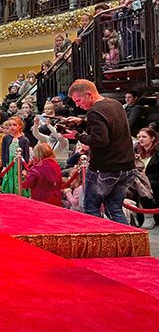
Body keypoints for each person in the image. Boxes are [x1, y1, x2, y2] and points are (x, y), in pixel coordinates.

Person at [62, 79, 136, 224]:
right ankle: (127, 243)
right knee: (114, 209)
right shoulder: (115, 104)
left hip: (105, 167)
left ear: (89, 94)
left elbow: (100, 140)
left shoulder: (95, 111)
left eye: (78, 100)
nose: (78, 105)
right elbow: (110, 129)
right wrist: (83, 122)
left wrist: (76, 135)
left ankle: (98, 244)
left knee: (90, 207)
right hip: (127, 166)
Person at [134, 127, 159, 228]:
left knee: (142, 185)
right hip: (138, 179)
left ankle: (148, 215)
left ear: (152, 138)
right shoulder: (136, 150)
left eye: (144, 137)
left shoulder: (157, 152)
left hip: (154, 180)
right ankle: (133, 213)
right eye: (139, 137)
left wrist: (145, 178)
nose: (141, 139)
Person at [0, 117, 30, 196]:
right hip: (9, 164)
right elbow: (3, 152)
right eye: (10, 125)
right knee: (8, 180)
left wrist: (24, 169)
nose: (12, 127)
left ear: (19, 126)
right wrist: (3, 166)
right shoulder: (6, 138)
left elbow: (26, 156)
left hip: (19, 165)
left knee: (18, 181)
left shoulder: (24, 140)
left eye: (14, 125)